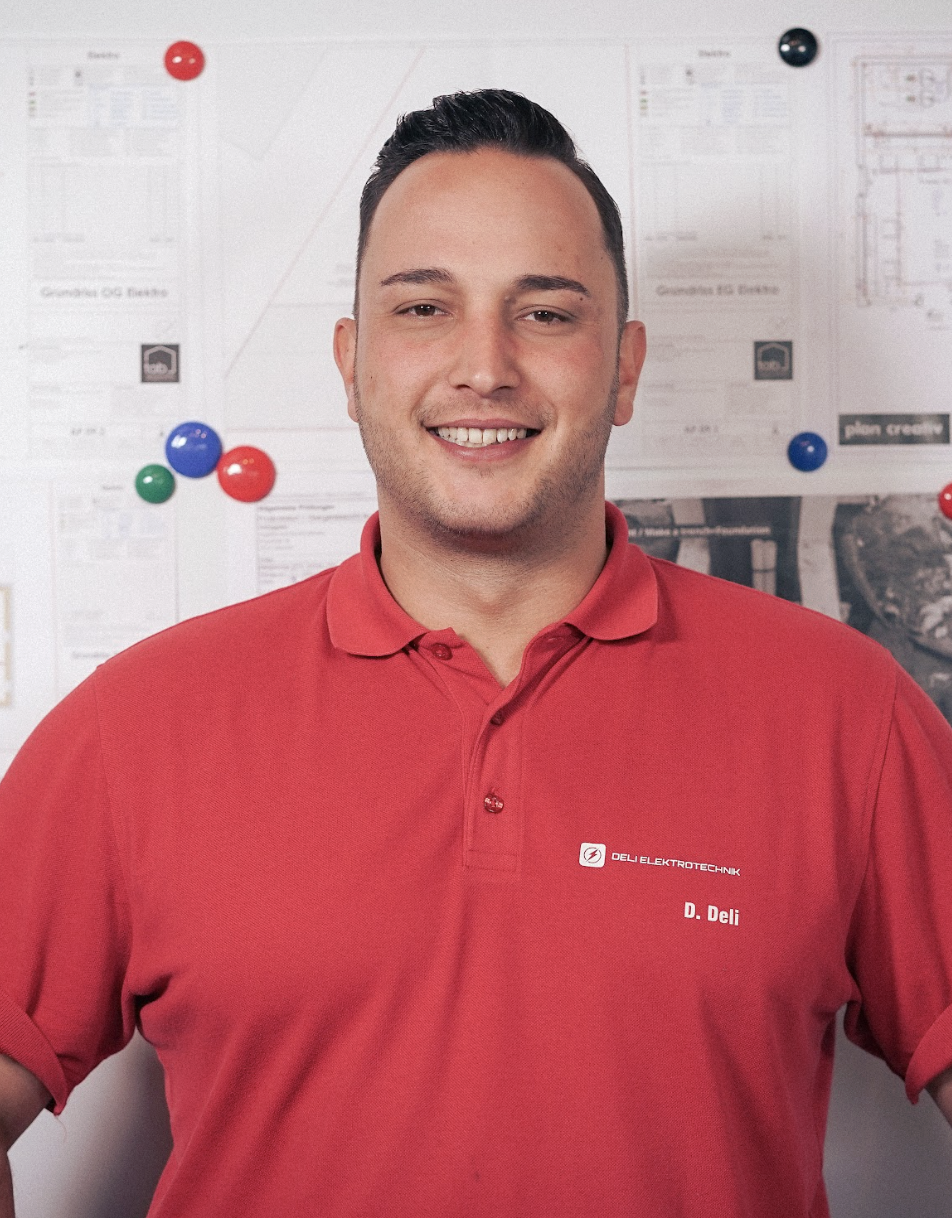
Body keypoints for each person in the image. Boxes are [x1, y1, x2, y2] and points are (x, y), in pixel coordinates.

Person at [1, 88, 952, 1218]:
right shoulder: (136, 727)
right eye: (423, 308)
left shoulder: (848, 712)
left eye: (544, 313)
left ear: (625, 368)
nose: (484, 366)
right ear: (351, 364)